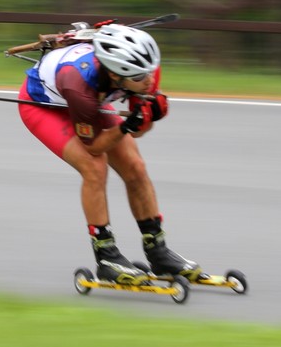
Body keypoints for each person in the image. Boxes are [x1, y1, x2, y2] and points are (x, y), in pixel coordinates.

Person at [18, 22, 202, 284]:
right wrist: (129, 123)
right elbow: (94, 146)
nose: (149, 80)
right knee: (94, 167)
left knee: (135, 167)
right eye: (139, 77)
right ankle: (106, 256)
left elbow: (138, 130)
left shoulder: (142, 69)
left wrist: (147, 117)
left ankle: (158, 252)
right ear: (116, 75)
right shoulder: (78, 83)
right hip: (46, 106)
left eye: (150, 72)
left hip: (93, 102)